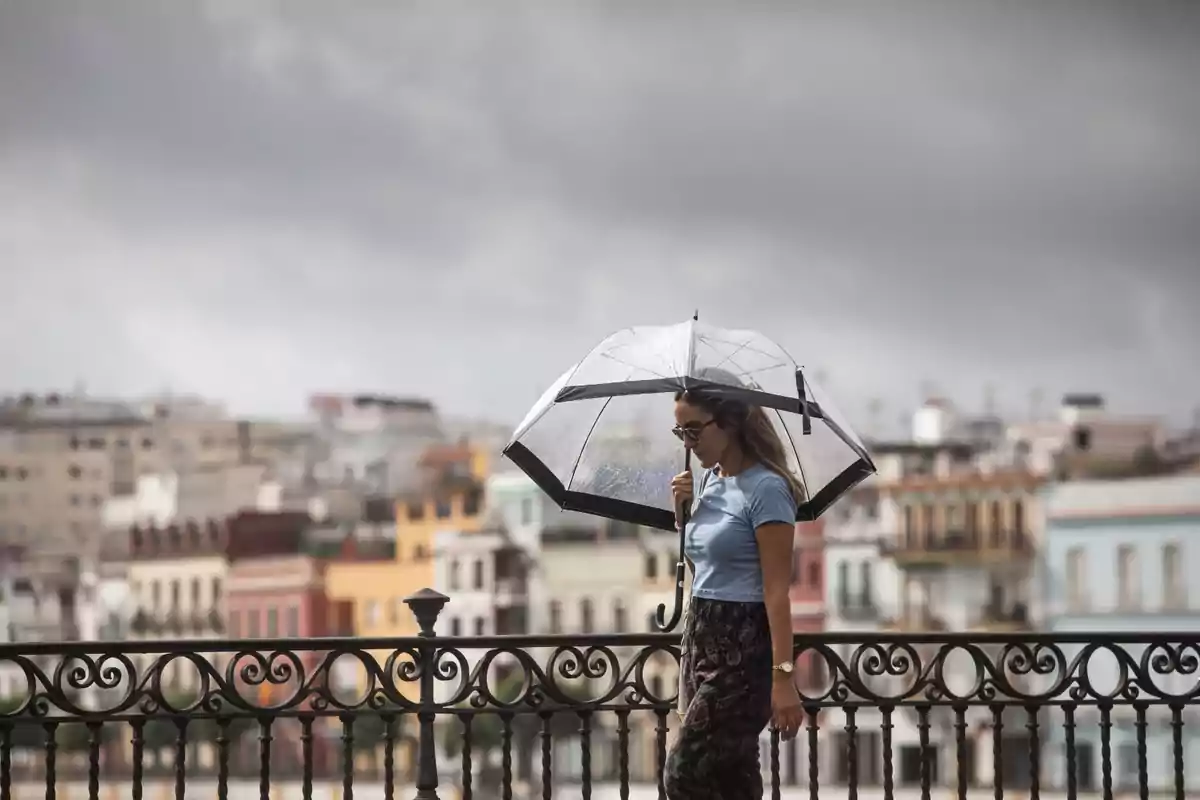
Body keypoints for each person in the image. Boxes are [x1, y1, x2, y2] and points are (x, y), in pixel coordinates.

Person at [664, 377, 806, 800]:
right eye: (680, 432)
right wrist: (681, 514)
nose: (688, 443)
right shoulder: (707, 482)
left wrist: (783, 679)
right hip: (702, 633)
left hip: (742, 646)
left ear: (728, 422)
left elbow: (777, 592)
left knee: (683, 774)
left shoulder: (768, 490)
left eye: (694, 430)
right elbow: (704, 564)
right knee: (733, 777)